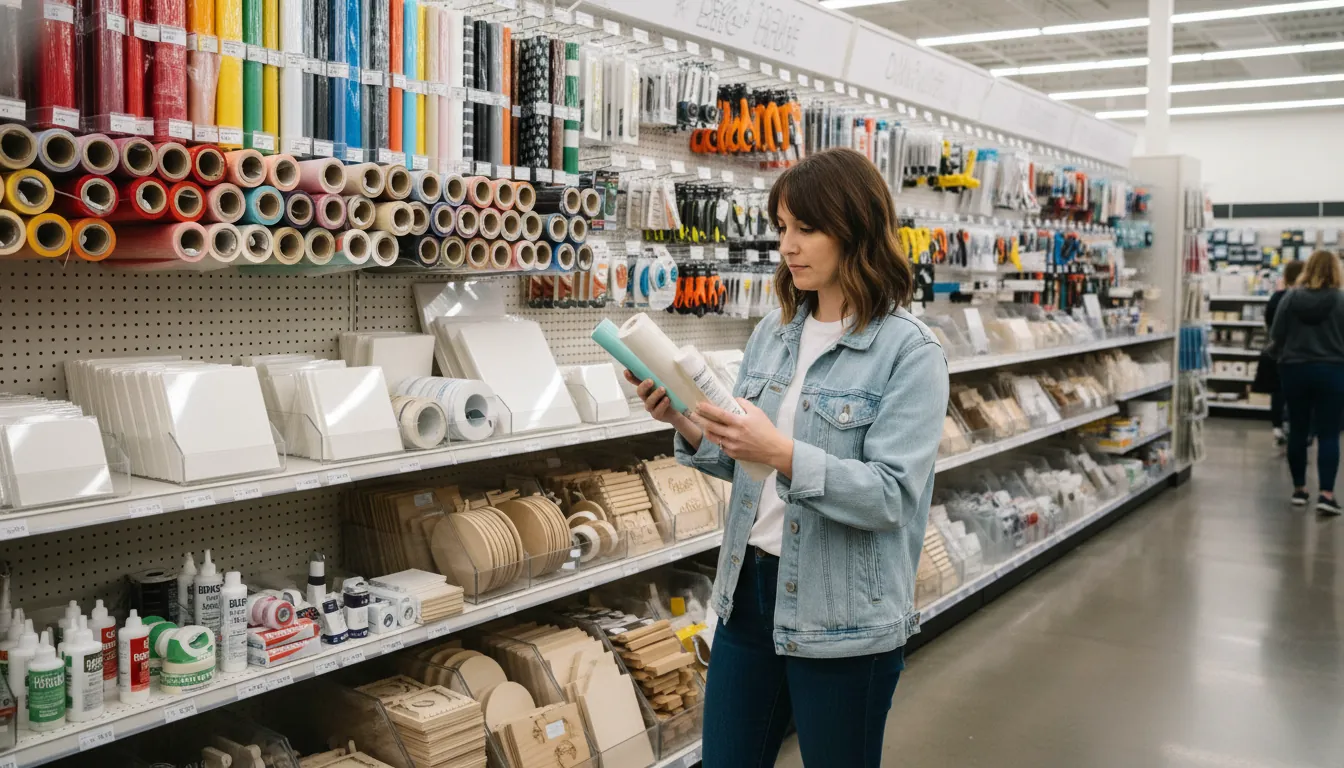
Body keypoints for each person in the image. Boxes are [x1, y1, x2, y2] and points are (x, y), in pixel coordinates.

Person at [625, 148, 949, 767]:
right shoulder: (773, 334)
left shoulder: (910, 352)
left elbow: (893, 496)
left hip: (844, 613)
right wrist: (687, 423)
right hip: (748, 594)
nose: (788, 246)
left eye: (807, 228)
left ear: (855, 230)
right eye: (781, 228)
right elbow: (745, 468)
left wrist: (783, 452)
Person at [1269, 250, 1344, 514]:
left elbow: (1276, 335)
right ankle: (1326, 494)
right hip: (1333, 371)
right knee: (1329, 434)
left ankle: (1299, 490)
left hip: (1295, 370)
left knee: (1298, 430)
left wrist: (1281, 356)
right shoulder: (1341, 300)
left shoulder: (1290, 299)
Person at [1259, 260, 1306, 445]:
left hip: (1279, 351)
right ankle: (1296, 427)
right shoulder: (1307, 297)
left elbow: (1270, 323)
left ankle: (1278, 427)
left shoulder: (1278, 297)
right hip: (1302, 353)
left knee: (1278, 390)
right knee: (1300, 392)